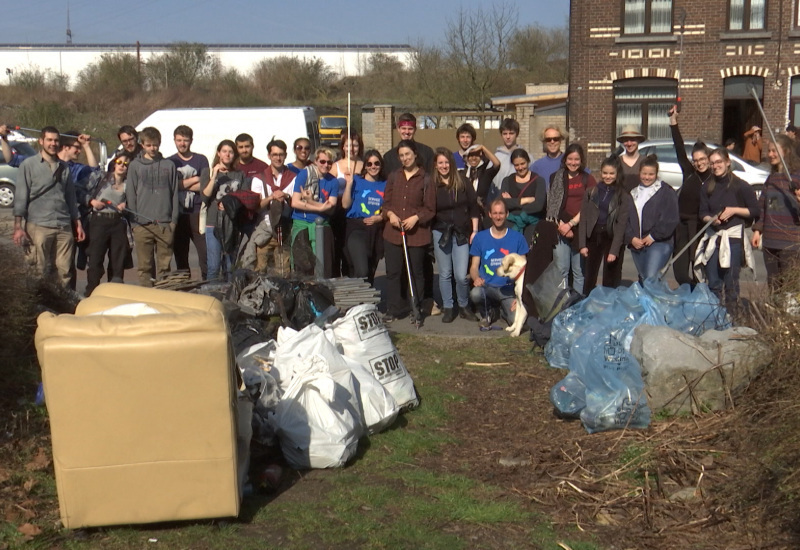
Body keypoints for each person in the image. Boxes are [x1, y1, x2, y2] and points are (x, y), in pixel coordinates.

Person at [13, 126, 85, 288]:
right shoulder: (29, 165)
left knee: (64, 271)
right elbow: (20, 197)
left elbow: (70, 198)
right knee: (38, 270)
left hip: (63, 225)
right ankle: (38, 306)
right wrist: (18, 226)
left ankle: (61, 306)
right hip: (38, 225)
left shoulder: (64, 167)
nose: (53, 143)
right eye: (49, 140)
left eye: (56, 140)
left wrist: (77, 223)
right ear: (41, 141)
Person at [381, 140, 436, 325]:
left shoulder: (426, 179)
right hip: (393, 233)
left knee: (415, 273)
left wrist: (416, 218)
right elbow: (385, 204)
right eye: (402, 155)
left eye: (408, 154)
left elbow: (430, 209)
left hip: (416, 235)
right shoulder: (394, 176)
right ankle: (394, 308)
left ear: (415, 155)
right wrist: (390, 214)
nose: (405, 158)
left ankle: (416, 307)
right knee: (394, 273)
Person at [697, 148, 759, 307]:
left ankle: (731, 318)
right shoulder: (707, 187)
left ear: (727, 162)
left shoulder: (741, 186)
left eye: (718, 162)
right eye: (712, 163)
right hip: (713, 237)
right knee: (713, 282)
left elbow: (755, 210)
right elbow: (702, 212)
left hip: (733, 239)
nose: (715, 166)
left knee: (731, 282)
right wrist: (711, 219)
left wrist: (734, 210)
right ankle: (714, 318)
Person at [431, 147, 480, 323]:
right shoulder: (432, 185)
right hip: (441, 232)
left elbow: (474, 207)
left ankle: (464, 305)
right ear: (436, 165)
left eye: (446, 162)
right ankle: (449, 307)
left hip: (461, 232)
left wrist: (474, 231)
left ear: (451, 164)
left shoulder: (463, 181)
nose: (444, 166)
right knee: (445, 273)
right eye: (440, 163)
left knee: (460, 274)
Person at [127, 126, 179, 287]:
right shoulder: (135, 166)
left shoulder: (168, 165)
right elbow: (131, 194)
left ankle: (163, 297)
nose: (152, 148)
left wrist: (173, 221)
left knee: (164, 267)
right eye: (149, 145)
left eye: (155, 144)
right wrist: (135, 223)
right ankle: (147, 298)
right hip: (142, 224)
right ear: (142, 145)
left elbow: (174, 193)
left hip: (164, 223)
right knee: (144, 267)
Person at [668, 105, 712, 286]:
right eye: (696, 160)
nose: (699, 163)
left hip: (702, 228)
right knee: (679, 272)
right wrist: (673, 122)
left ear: (708, 159)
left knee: (699, 272)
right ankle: (690, 293)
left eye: (702, 159)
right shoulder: (689, 173)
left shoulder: (713, 178)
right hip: (683, 228)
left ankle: (698, 302)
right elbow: (679, 149)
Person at [469, 199, 529, 327]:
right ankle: (487, 313)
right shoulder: (480, 237)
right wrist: (476, 278)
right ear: (489, 214)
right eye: (495, 213)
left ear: (507, 214)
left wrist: (521, 297)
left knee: (515, 320)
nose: (498, 216)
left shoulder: (518, 238)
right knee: (475, 293)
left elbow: (525, 270)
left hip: (508, 289)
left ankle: (503, 311)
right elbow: (474, 267)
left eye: (501, 213)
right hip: (487, 286)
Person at [546, 143, 596, 293]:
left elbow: (590, 206)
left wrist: (572, 224)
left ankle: (578, 306)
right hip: (559, 227)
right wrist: (562, 225)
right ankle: (562, 306)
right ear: (565, 159)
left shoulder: (588, 179)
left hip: (581, 230)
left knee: (579, 272)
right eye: (570, 159)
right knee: (562, 269)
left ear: (581, 161)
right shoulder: (556, 177)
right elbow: (552, 205)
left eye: (577, 159)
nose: (573, 163)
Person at [751, 134, 800, 287]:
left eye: (775, 151)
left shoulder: (796, 177)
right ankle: (773, 310)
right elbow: (763, 207)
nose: (770, 154)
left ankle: (787, 312)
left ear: (786, 152)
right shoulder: (771, 179)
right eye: (769, 151)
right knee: (773, 283)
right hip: (770, 241)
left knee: (789, 286)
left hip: (791, 241)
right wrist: (758, 230)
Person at [579, 155, 631, 293]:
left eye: (611, 173)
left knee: (610, 277)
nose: (608, 176)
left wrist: (614, 250)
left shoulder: (623, 196)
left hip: (611, 236)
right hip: (594, 236)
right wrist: (583, 244)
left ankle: (609, 306)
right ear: (601, 173)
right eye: (605, 173)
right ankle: (587, 303)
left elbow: (621, 225)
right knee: (590, 275)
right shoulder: (591, 192)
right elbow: (584, 218)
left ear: (617, 174)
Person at [84, 151, 134, 295]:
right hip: (99, 221)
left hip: (118, 223)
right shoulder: (101, 177)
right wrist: (91, 201)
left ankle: (114, 294)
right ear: (114, 163)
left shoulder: (128, 184)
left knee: (118, 261)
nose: (122, 166)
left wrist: (126, 205)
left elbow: (134, 202)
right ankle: (91, 293)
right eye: (119, 162)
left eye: (126, 164)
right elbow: (79, 190)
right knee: (95, 259)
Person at [625, 155, 679, 281]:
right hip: (637, 243)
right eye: (644, 174)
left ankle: (654, 299)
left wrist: (653, 236)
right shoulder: (633, 193)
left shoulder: (666, 191)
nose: (647, 177)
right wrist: (631, 238)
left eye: (651, 174)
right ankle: (649, 301)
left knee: (650, 277)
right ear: (639, 173)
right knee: (644, 278)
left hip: (659, 242)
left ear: (656, 174)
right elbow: (625, 219)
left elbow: (671, 218)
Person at [200, 140, 246, 281]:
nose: (227, 154)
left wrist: (229, 204)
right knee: (213, 266)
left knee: (230, 265)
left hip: (232, 224)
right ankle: (212, 296)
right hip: (213, 222)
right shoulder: (207, 172)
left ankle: (230, 297)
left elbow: (244, 198)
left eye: (231, 152)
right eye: (224, 151)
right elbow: (205, 196)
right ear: (219, 153)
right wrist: (214, 175)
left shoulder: (239, 174)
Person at [290, 146, 339, 276]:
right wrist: (321, 207)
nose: (326, 165)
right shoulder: (304, 174)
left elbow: (331, 207)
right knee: (303, 266)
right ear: (316, 161)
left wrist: (311, 202)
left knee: (325, 266)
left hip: (323, 224)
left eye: (329, 162)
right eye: (322, 161)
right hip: (302, 223)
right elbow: (295, 202)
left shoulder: (333, 181)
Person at [169, 125, 209, 279]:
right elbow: (172, 186)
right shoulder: (170, 161)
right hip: (178, 213)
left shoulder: (201, 159)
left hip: (198, 212)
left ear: (191, 140)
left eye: (185, 140)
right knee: (180, 254)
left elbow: (205, 185)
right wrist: (195, 179)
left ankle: (207, 281)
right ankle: (184, 285)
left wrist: (183, 184)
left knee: (204, 252)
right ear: (174, 140)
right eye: (179, 140)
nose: (182, 144)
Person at [340, 149, 386, 284]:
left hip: (376, 229)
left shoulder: (386, 184)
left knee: (371, 271)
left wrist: (381, 217)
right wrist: (348, 185)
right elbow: (345, 204)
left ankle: (366, 303)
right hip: (357, 228)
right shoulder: (356, 180)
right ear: (365, 166)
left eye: (376, 163)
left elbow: (389, 206)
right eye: (369, 164)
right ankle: (358, 300)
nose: (373, 167)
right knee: (362, 270)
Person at [251, 138, 295, 275]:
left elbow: (296, 204)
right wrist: (271, 197)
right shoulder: (259, 178)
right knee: (261, 270)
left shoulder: (293, 177)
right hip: (266, 230)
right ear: (269, 156)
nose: (278, 158)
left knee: (283, 272)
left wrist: (286, 196)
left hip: (285, 229)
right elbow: (256, 206)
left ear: (286, 155)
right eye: (275, 154)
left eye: (281, 154)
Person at [331, 130, 365, 277]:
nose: (351, 149)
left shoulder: (365, 165)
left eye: (355, 145)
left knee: (351, 254)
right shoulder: (335, 166)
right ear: (343, 147)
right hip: (338, 212)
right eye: (348, 145)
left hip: (357, 213)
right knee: (338, 250)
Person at [500, 149, 546, 242]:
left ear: (528, 162)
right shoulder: (507, 181)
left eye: (522, 164)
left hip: (532, 225)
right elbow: (503, 203)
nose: (520, 167)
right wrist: (525, 200)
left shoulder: (539, 180)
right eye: (516, 165)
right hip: (511, 224)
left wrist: (513, 202)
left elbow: (538, 205)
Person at [460, 143, 501, 228]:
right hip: (465, 215)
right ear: (466, 158)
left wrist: (483, 147)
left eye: (477, 155)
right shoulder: (462, 174)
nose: (473, 158)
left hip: (482, 215)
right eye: (471, 156)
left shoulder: (486, 174)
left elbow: (497, 164)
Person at [491, 118, 523, 199]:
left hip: (520, 198)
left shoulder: (526, 156)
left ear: (517, 134)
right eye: (505, 134)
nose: (508, 137)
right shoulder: (495, 157)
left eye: (511, 133)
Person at [531, 125, 567, 192]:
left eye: (556, 139)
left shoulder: (570, 161)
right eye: (548, 139)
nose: (552, 142)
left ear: (561, 140)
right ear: (544, 142)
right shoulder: (536, 166)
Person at [617, 125, 645, 192]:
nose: (629, 143)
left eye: (632, 140)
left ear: (638, 140)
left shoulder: (645, 161)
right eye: (626, 140)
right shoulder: (617, 162)